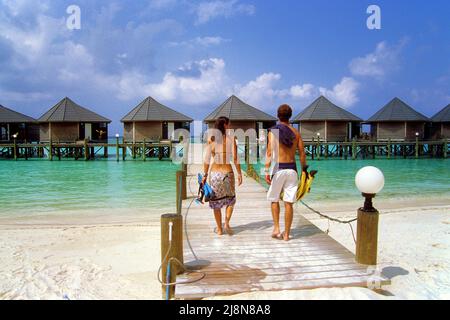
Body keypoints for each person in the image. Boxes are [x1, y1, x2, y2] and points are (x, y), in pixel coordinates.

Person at [265, 104, 307, 241]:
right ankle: (287, 234)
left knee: (274, 199)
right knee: (289, 203)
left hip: (278, 169)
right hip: (292, 169)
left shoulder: (274, 131)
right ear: (290, 116)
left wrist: (266, 170)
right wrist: (304, 171)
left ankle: (277, 229)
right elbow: (302, 153)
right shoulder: (296, 133)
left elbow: (270, 152)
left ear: (278, 115)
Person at [203, 117, 243, 236]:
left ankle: (219, 229)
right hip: (227, 173)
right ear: (225, 125)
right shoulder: (231, 139)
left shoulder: (211, 140)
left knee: (216, 202)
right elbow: (235, 159)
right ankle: (226, 223)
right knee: (231, 200)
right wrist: (240, 173)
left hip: (215, 174)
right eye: (229, 124)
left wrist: (205, 175)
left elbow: (206, 160)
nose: (230, 125)